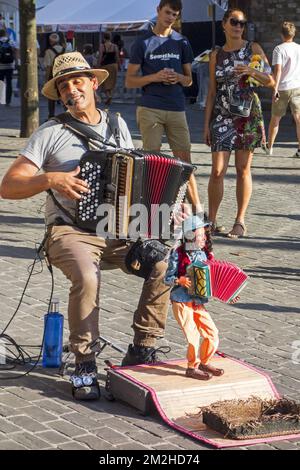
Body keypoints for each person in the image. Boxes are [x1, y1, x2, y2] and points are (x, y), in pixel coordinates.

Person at [0, 52, 171, 401]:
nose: (71, 89)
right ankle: (84, 362)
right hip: (68, 231)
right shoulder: (51, 132)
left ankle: (142, 347)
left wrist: (162, 213)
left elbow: (134, 180)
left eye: (77, 81)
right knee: (87, 274)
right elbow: (8, 185)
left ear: (94, 83)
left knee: (165, 263)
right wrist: (50, 178)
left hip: (116, 229)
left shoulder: (118, 124)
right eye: (63, 85)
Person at [125, 0, 202, 214]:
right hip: (150, 108)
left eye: (174, 15)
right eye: (167, 12)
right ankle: (154, 213)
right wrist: (155, 77)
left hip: (176, 108)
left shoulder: (182, 42)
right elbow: (130, 81)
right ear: (158, 11)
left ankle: (198, 213)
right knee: (152, 161)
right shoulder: (142, 42)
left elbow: (189, 81)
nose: (170, 18)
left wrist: (177, 77)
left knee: (185, 160)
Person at [204, 9, 274, 238]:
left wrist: (251, 70)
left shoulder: (252, 48)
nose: (238, 26)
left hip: (247, 116)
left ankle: (239, 221)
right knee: (216, 171)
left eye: (242, 23)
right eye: (234, 22)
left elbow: (270, 81)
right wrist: (206, 125)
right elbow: (212, 92)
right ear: (224, 24)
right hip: (222, 115)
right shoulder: (216, 55)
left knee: (243, 169)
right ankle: (211, 221)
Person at [164, 215, 224, 380]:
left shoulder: (205, 255)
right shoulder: (178, 254)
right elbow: (166, 279)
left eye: (204, 235)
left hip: (198, 301)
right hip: (181, 301)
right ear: (190, 237)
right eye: (199, 235)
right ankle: (192, 367)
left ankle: (205, 361)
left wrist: (228, 294)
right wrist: (179, 280)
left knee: (212, 332)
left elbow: (214, 279)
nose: (203, 238)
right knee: (193, 335)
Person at [266, 22, 300, 158]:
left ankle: (270, 148)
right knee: (298, 119)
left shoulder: (278, 49)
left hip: (283, 88)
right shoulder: (299, 48)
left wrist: (275, 88)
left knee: (275, 119)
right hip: (297, 87)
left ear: (281, 34)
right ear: (294, 34)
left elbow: (278, 70)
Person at [43, 33, 65, 119]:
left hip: (52, 75)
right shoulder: (65, 49)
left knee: (50, 95)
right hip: (63, 74)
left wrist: (46, 79)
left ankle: (51, 115)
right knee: (64, 93)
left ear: (50, 41)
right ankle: (68, 111)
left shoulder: (48, 51)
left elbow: (48, 66)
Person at [98, 32, 120, 105]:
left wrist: (98, 65)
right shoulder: (115, 46)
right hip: (114, 66)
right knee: (111, 82)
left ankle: (108, 96)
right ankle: (110, 96)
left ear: (104, 38)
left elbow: (100, 57)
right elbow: (117, 57)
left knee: (104, 82)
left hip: (105, 66)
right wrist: (118, 65)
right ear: (110, 38)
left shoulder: (102, 46)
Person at [0, 27, 17, 106]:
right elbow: (15, 51)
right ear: (6, 34)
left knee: (1, 82)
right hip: (10, 65)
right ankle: (8, 100)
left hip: (0, 66)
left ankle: (1, 99)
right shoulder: (11, 41)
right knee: (9, 83)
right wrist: (16, 62)